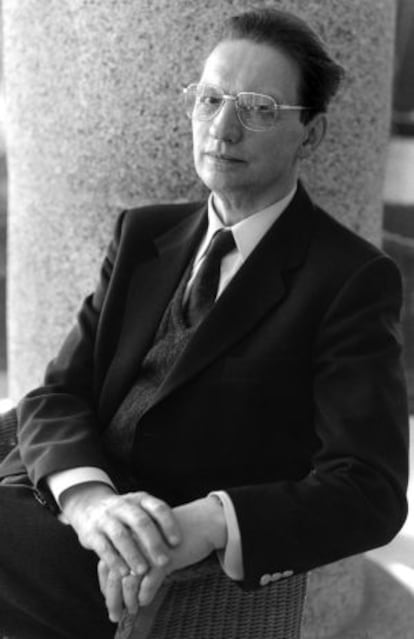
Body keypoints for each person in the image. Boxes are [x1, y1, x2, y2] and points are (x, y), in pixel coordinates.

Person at [0, 7, 409, 639]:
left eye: (258, 108)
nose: (222, 128)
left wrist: (211, 522)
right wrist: (89, 501)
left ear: (311, 134)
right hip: (66, 505)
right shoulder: (143, 235)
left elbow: (370, 490)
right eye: (211, 99)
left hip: (154, 558)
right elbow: (58, 391)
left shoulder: (349, 279)